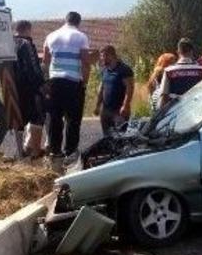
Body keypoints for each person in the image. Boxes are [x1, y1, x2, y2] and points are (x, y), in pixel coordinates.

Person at [43, 11, 91, 163]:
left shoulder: (51, 36)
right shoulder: (81, 37)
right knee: (73, 119)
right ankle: (70, 152)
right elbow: (86, 63)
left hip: (54, 81)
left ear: (66, 20)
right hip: (72, 81)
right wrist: (84, 83)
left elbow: (45, 61)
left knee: (55, 118)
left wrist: (47, 82)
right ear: (78, 22)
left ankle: (55, 152)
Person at [13, 20, 46, 158]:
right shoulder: (26, 44)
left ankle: (21, 151)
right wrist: (41, 85)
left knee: (19, 119)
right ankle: (36, 151)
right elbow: (32, 67)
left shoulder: (8, 44)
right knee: (37, 117)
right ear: (27, 29)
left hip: (14, 88)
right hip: (30, 88)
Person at [94, 45, 134, 135]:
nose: (102, 59)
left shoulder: (124, 70)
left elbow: (130, 88)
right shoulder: (105, 70)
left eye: (103, 56)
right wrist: (97, 106)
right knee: (107, 138)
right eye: (101, 56)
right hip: (105, 111)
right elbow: (101, 88)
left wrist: (125, 105)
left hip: (119, 111)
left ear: (111, 55)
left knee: (119, 138)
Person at [159, 38, 202, 109]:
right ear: (192, 51)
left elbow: (164, 96)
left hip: (176, 114)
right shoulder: (201, 70)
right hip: (195, 111)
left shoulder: (169, 71)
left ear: (178, 52)